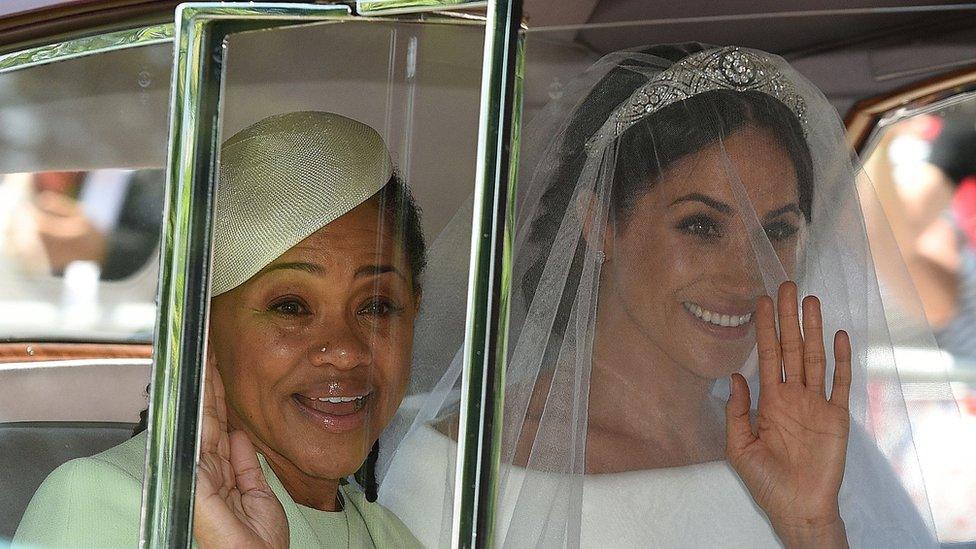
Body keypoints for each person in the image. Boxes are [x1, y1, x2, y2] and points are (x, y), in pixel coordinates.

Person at [379, 44, 950, 547]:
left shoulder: (813, 448)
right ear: (598, 222)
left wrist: (813, 531)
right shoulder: (460, 468)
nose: (748, 275)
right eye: (701, 226)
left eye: (778, 230)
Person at [13, 111, 425, 548]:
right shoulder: (108, 503)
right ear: (201, 333)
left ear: (415, 310)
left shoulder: (390, 537)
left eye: (377, 306)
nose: (344, 351)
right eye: (291, 306)